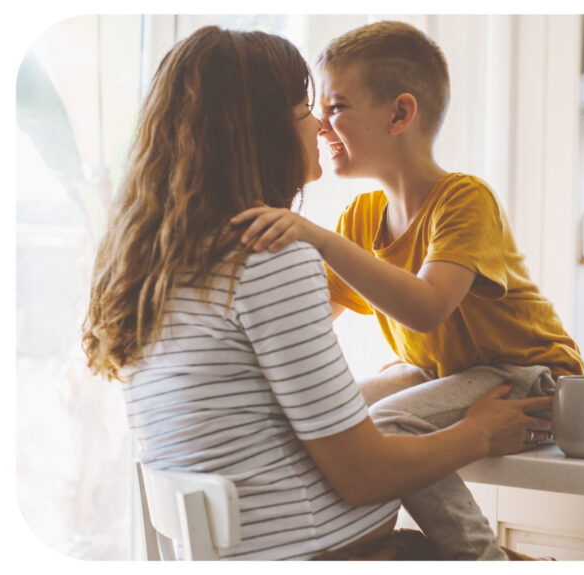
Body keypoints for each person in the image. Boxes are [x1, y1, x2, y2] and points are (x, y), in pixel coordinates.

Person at [80, 25, 551, 561]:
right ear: (265, 128)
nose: (321, 124)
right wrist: (478, 435)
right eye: (308, 106)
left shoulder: (155, 269)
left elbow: (314, 333)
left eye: (333, 108)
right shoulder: (269, 259)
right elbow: (365, 473)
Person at [229, 21, 584, 559]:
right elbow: (311, 318)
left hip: (533, 376)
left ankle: (482, 560)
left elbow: (427, 308)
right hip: (452, 373)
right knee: (345, 413)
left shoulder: (464, 200)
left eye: (336, 108)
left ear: (400, 114)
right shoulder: (364, 216)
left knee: (388, 423)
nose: (320, 126)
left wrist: (320, 240)